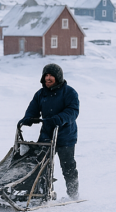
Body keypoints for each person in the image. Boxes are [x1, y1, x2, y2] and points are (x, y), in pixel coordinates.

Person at [19, 63, 80, 199]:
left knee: (68, 167)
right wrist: (28, 118)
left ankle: (73, 194)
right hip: (46, 135)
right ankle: (42, 192)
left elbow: (72, 111)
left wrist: (59, 119)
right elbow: (33, 109)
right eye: (46, 75)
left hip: (65, 136)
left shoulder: (69, 92)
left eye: (51, 75)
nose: (48, 78)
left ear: (58, 77)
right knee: (41, 166)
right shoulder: (40, 94)